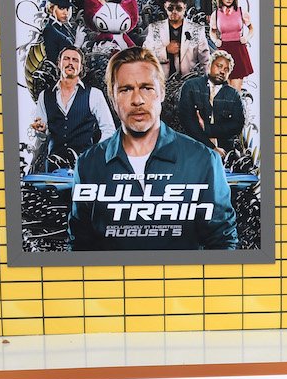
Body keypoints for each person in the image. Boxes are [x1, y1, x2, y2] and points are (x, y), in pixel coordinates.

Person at [68, 46, 236, 250]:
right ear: (112, 99)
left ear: (162, 93)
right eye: (126, 89)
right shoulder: (88, 165)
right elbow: (79, 247)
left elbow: (222, 242)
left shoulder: (203, 160)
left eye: (147, 88)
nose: (137, 100)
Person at [30, 45, 116, 169]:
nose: (70, 63)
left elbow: (109, 130)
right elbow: (41, 136)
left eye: (75, 60)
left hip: (84, 166)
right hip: (53, 167)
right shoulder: (44, 96)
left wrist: (95, 154)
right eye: (66, 59)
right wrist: (41, 132)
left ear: (81, 67)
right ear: (59, 63)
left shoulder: (94, 94)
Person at [177, 50, 243, 156]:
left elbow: (237, 125)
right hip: (193, 149)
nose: (222, 71)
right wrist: (212, 147)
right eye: (219, 66)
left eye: (226, 69)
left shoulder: (233, 95)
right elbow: (188, 122)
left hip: (224, 154)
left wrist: (207, 128)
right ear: (209, 65)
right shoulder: (191, 87)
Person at [142, 0, 211, 79]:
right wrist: (165, 50)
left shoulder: (197, 30)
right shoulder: (154, 29)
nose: (174, 12)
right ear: (165, 7)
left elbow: (205, 61)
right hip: (161, 83)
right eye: (170, 8)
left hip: (189, 84)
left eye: (178, 8)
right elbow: (145, 56)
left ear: (185, 7)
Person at [209, 0, 254, 91]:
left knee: (236, 90)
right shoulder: (216, 14)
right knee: (225, 89)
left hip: (238, 50)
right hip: (224, 51)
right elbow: (212, 32)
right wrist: (215, 40)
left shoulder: (241, 11)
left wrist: (246, 38)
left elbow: (251, 29)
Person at [41, 0, 77, 67]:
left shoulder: (64, 28)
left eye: (67, 8)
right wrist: (77, 46)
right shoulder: (49, 30)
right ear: (51, 8)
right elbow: (53, 60)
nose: (66, 13)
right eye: (61, 8)